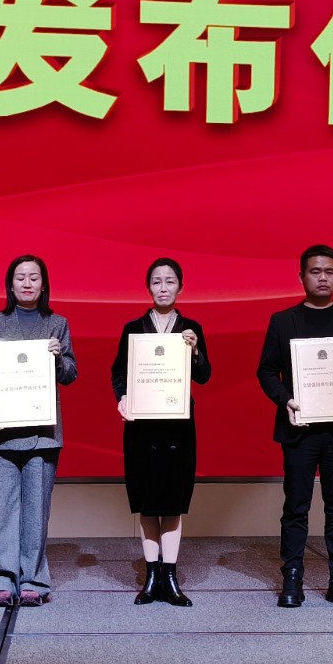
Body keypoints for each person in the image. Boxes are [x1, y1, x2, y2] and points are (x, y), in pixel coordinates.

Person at [256, 244, 333, 608]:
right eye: (315, 271)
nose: (322, 278)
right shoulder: (283, 321)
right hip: (299, 428)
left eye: (329, 272)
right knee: (296, 506)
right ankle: (292, 575)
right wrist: (285, 399)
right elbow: (266, 371)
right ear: (301, 277)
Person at [0, 254, 78, 606]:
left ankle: (33, 579)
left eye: (34, 277)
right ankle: (2, 579)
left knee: (36, 511)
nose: (27, 283)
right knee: (2, 510)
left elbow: (70, 375)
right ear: (10, 284)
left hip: (43, 433)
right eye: (20, 277)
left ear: (44, 284)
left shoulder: (58, 324)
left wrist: (59, 356)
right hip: (1, 433)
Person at [110, 257, 213, 607]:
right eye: (157, 281)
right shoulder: (133, 329)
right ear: (148, 287)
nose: (163, 287)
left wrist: (195, 350)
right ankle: (151, 575)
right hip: (142, 429)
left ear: (181, 287)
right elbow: (119, 373)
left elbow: (204, 376)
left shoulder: (191, 328)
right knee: (147, 501)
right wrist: (123, 397)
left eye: (170, 281)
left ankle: (170, 576)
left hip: (178, 429)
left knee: (172, 502)